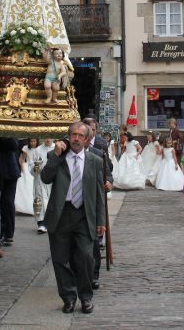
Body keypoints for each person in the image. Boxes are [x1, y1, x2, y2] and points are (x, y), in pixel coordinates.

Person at [41, 122, 106, 314]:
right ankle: (68, 297)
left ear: (86, 139)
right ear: (68, 137)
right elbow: (45, 178)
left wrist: (101, 220)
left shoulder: (95, 160)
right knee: (60, 260)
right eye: (73, 135)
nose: (76, 138)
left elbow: (98, 193)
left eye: (80, 135)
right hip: (61, 215)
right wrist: (55, 155)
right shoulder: (58, 158)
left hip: (84, 215)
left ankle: (86, 297)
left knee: (86, 257)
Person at [83, 117, 113, 289]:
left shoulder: (99, 148)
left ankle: (94, 275)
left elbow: (107, 170)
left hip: (94, 200)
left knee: (94, 242)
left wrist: (108, 181)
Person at [0, 137, 21, 246]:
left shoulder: (8, 133)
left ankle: (8, 234)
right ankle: (0, 232)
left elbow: (14, 145)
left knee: (8, 203)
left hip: (10, 172)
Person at [32, 139, 55, 233]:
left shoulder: (56, 148)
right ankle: (41, 223)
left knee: (51, 200)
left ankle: (51, 222)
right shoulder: (38, 150)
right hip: (40, 178)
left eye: (50, 137)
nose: (48, 139)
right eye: (46, 137)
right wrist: (35, 168)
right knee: (39, 200)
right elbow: (31, 164)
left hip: (53, 179)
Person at [16, 138, 41, 215]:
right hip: (27, 167)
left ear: (37, 142)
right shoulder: (26, 148)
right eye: (31, 141)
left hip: (36, 167)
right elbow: (22, 159)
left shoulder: (39, 149)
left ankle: (35, 207)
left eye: (34, 141)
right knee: (25, 185)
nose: (33, 143)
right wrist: (23, 168)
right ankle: (23, 207)